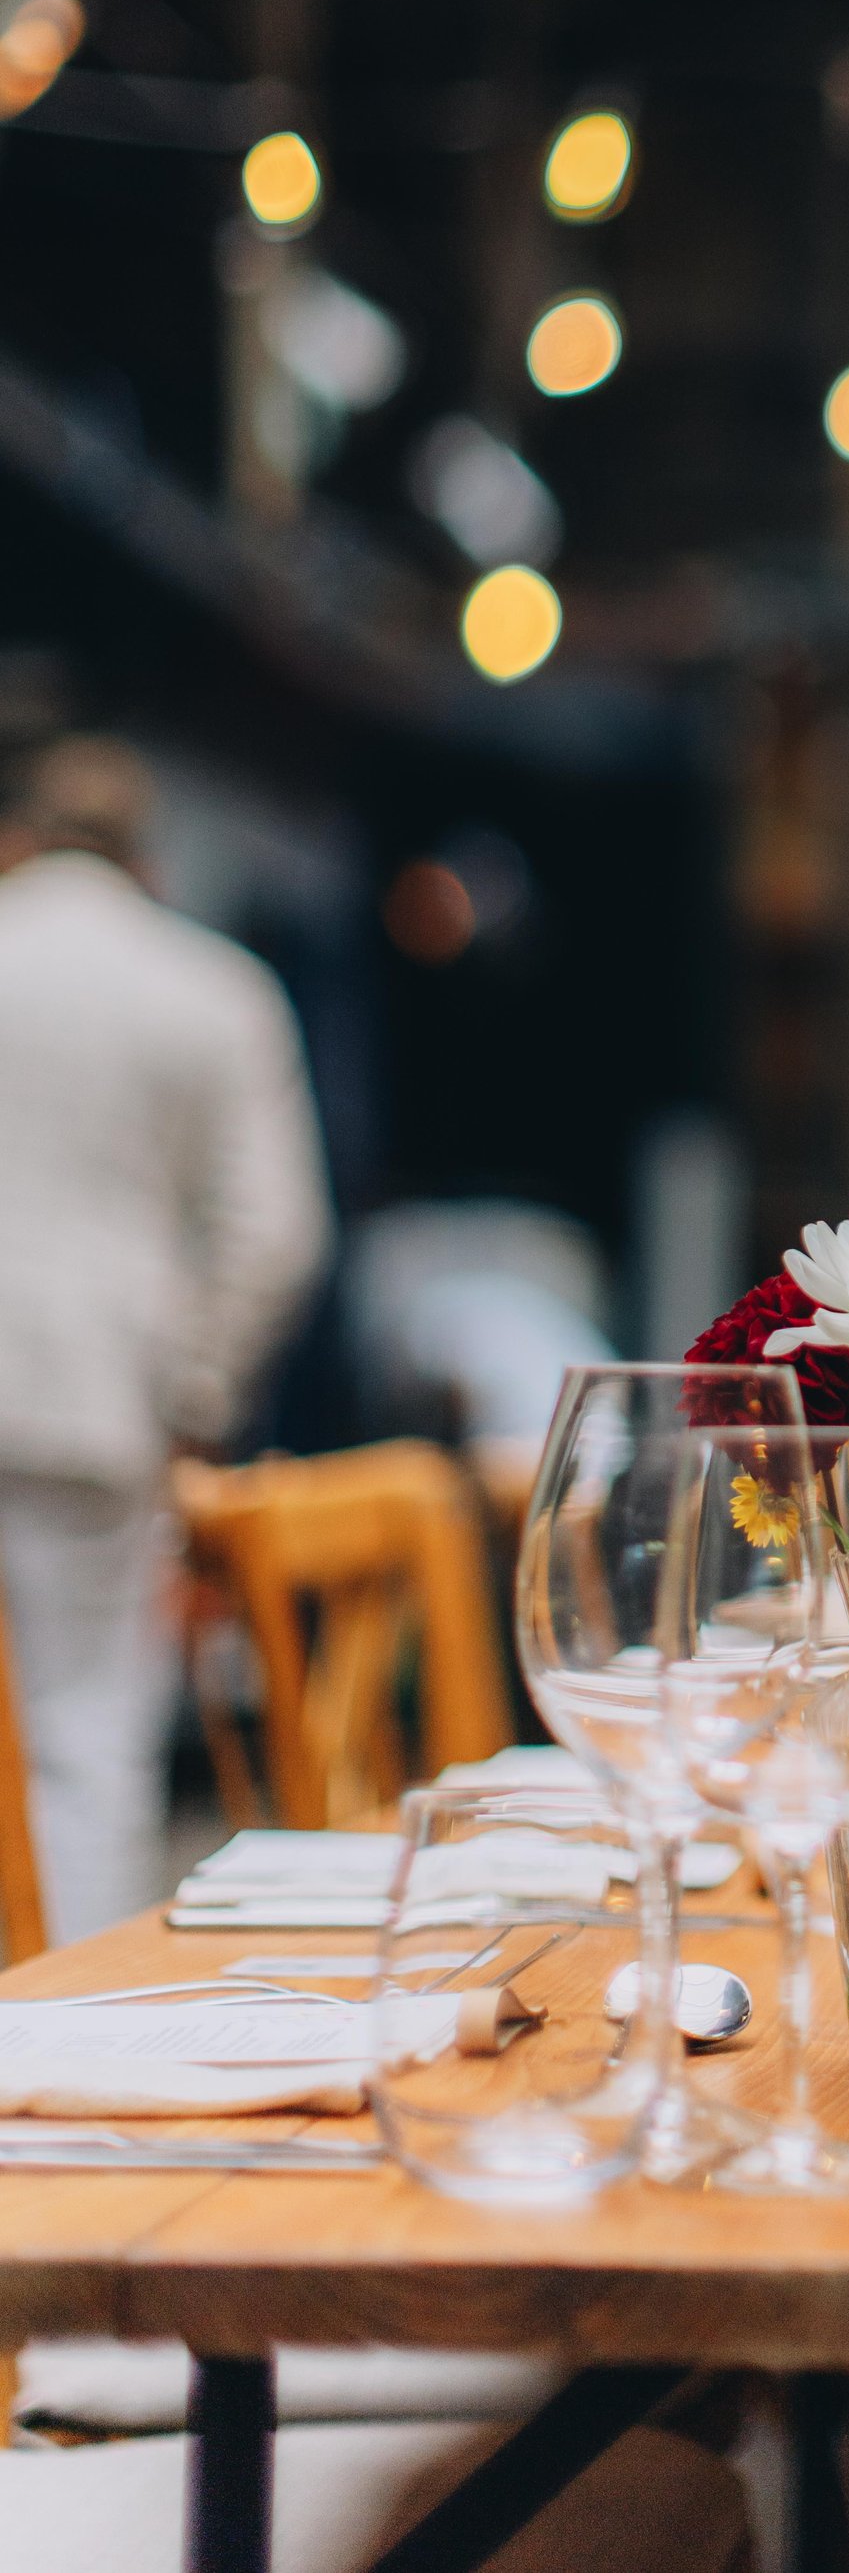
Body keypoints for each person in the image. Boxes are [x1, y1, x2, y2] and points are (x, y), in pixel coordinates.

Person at [0, 737, 330, 1936]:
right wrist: (195, 1385)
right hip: (96, 1399)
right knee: (84, 1748)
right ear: (147, 854)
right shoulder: (210, 988)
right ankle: (67, 2067)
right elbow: (277, 1231)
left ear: (22, 836)